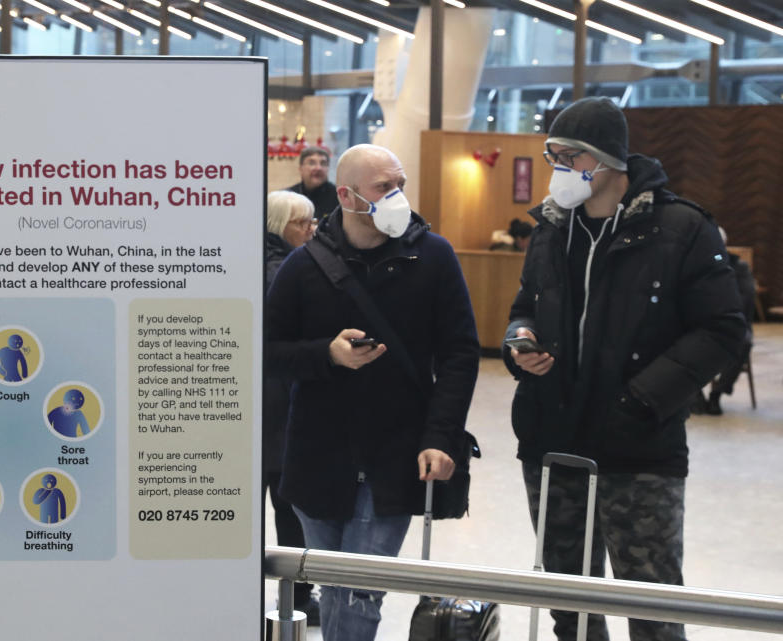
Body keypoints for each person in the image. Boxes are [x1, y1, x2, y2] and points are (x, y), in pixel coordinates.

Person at [503, 96, 746, 641]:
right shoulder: (549, 228)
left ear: (606, 160)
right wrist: (518, 339)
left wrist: (641, 400)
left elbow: (723, 330)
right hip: (552, 439)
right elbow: (525, 304)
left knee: (651, 604)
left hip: (638, 448)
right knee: (569, 604)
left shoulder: (680, 229)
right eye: (552, 157)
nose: (559, 170)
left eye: (570, 157)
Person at [267, 143, 480, 641]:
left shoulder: (433, 257)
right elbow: (267, 349)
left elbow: (459, 353)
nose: (398, 196)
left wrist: (440, 436)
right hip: (318, 453)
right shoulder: (304, 266)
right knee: (331, 584)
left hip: (395, 451)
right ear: (347, 195)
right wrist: (327, 354)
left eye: (400, 185)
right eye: (385, 188)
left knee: (359, 596)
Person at [263, 189, 319, 623]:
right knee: (291, 507)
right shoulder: (285, 269)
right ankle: (299, 598)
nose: (312, 230)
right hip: (278, 408)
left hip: (269, 409)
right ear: (278, 226)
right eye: (303, 223)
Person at [691, 227, 756, 415]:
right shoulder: (693, 265)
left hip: (732, 321)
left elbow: (746, 299)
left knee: (743, 341)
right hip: (699, 323)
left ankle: (717, 393)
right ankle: (694, 394)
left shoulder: (739, 266)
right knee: (678, 340)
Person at [286, 147, 338, 219]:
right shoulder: (288, 197)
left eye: (323, 163)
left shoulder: (338, 197)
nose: (318, 168)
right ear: (300, 169)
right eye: (312, 163)